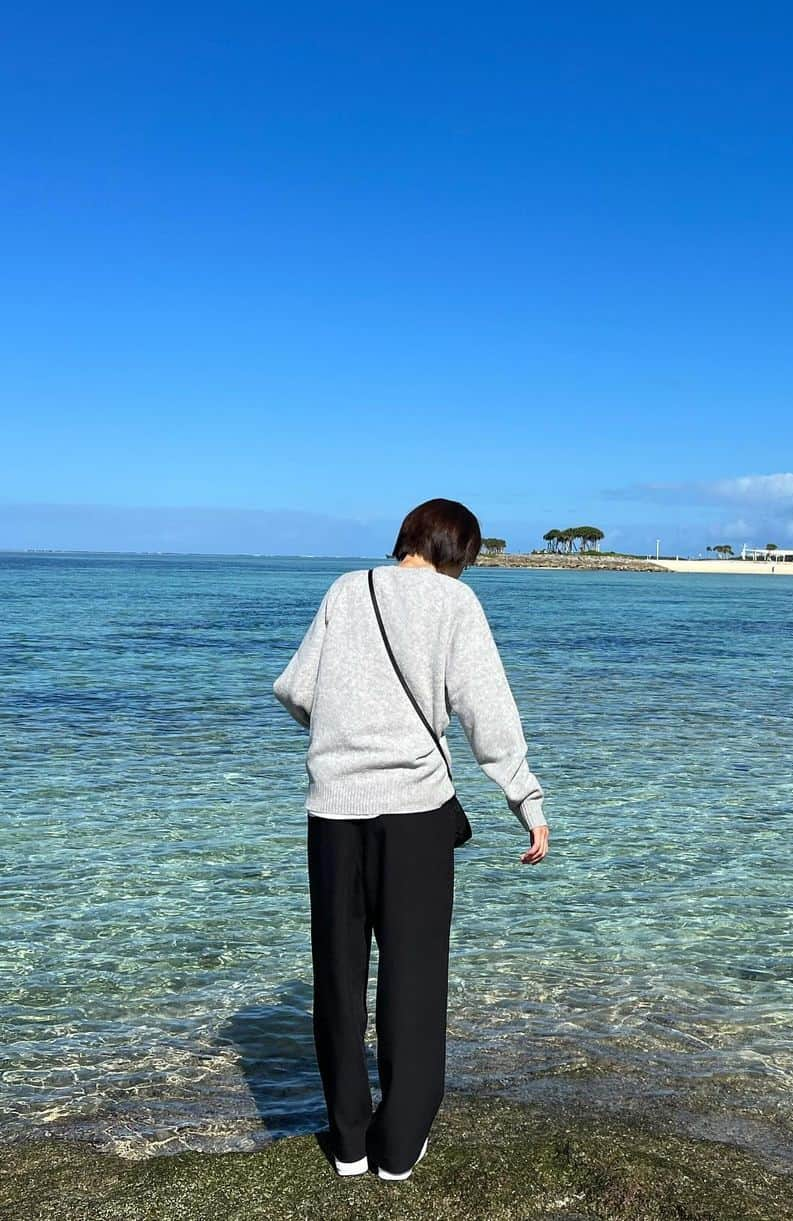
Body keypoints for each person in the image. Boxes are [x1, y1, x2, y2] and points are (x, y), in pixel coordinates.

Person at [272, 498, 550, 1182]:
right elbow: (489, 712)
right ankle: (396, 1149)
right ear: (457, 551)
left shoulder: (346, 588)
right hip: (417, 814)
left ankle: (348, 1144)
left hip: (334, 811)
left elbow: (295, 687)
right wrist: (527, 800)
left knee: (338, 977)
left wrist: (343, 733)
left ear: (406, 539)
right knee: (414, 978)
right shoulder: (455, 606)